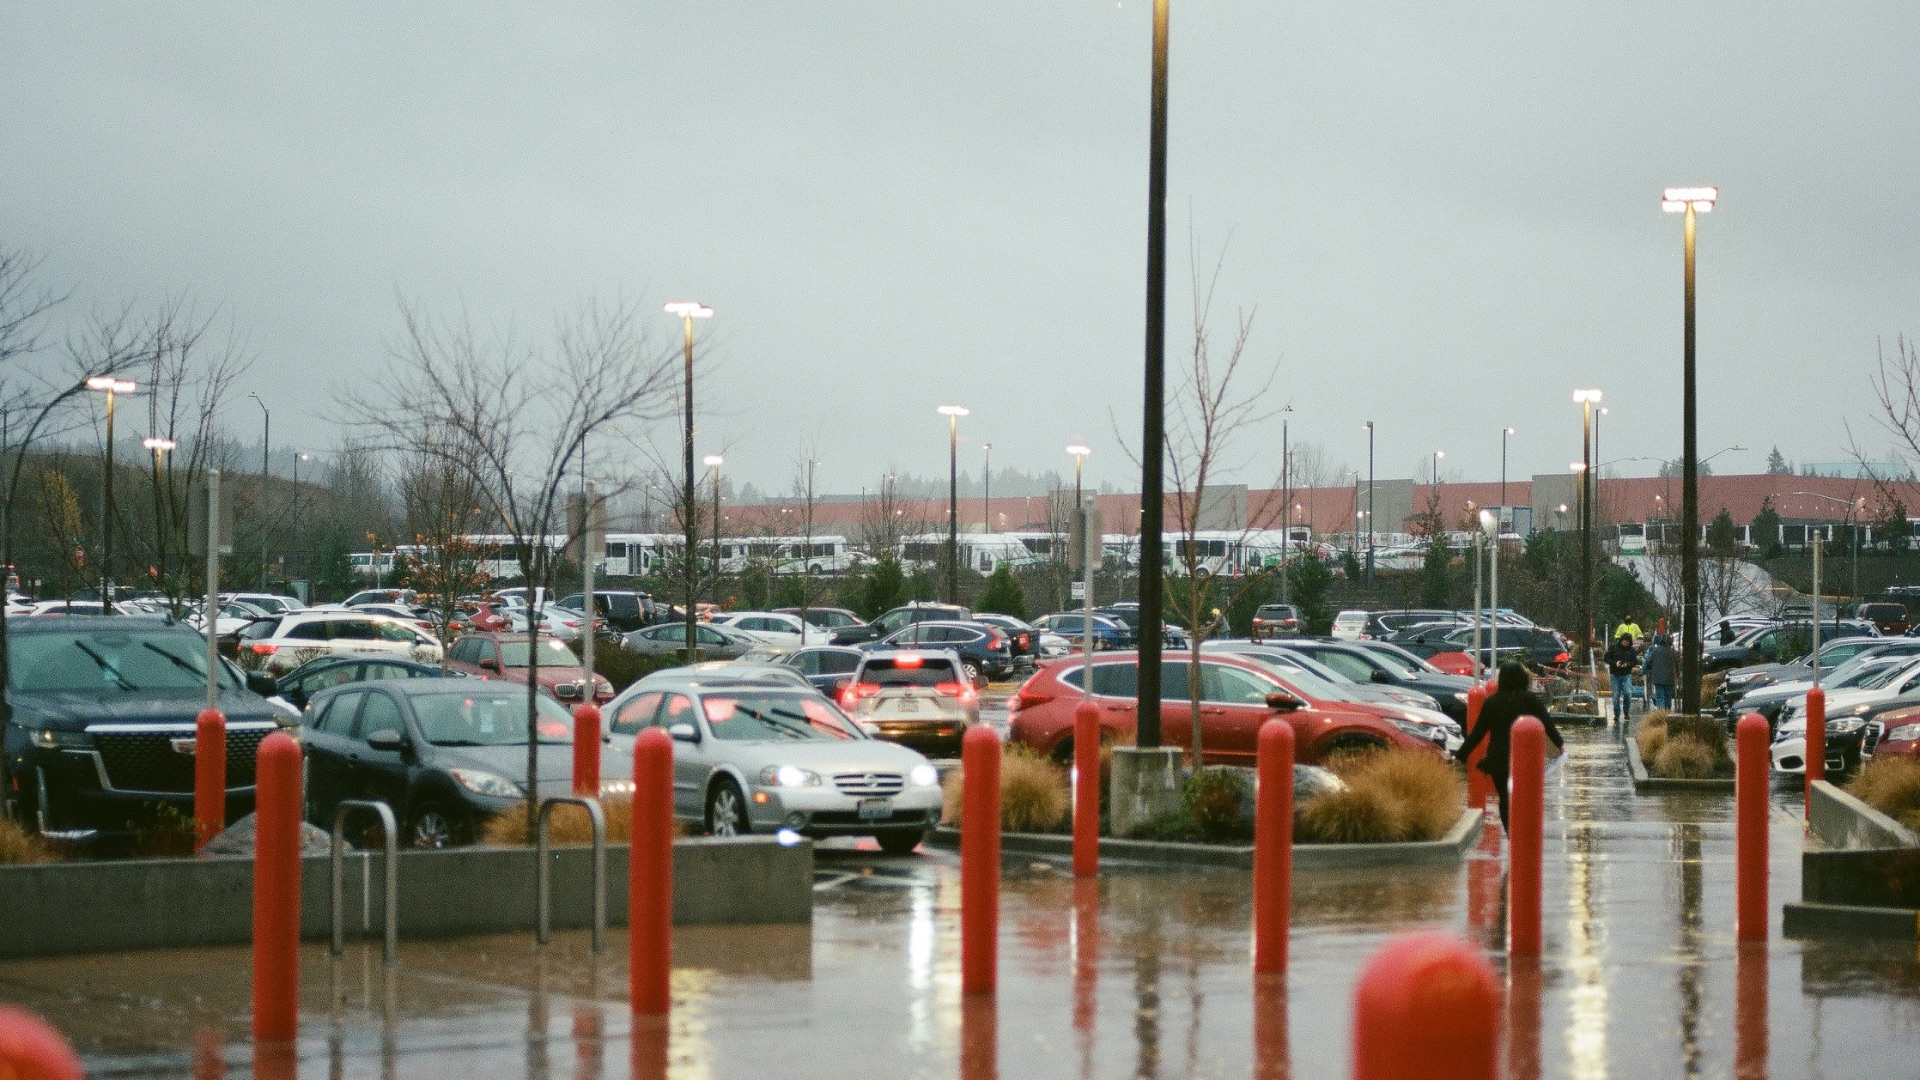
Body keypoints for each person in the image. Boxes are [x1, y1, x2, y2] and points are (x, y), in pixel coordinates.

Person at [1456, 662, 1564, 830]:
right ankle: (1523, 832)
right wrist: (1559, 744)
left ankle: (1511, 833)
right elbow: (1547, 724)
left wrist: (1461, 755)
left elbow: (1477, 733)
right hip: (1524, 760)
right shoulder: (1530, 700)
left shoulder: (1491, 702)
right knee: (1523, 796)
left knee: (1505, 798)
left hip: (1498, 760)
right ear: (1522, 678)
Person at [1604, 631, 1638, 722]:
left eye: (1628, 641)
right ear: (1621, 640)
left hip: (1626, 674)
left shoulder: (1632, 650)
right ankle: (1617, 714)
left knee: (1628, 693)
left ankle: (1626, 712)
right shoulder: (1613, 648)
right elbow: (1606, 658)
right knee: (1616, 696)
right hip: (1615, 674)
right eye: (1625, 641)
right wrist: (1615, 663)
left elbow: (1635, 661)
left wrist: (1627, 664)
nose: (1627, 643)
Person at [1643, 633, 1676, 712]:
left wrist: (1651, 669)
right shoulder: (1673, 652)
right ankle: (1667, 714)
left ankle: (1661, 716)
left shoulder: (1655, 651)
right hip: (1670, 678)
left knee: (1660, 697)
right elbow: (1677, 665)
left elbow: (1648, 662)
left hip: (1658, 678)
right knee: (1668, 697)